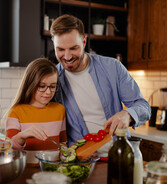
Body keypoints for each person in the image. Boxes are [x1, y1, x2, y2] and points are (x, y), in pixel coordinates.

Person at [50, 14, 150, 157]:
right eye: (60, 49)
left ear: (84, 41)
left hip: (120, 156)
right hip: (81, 162)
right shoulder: (53, 80)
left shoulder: (112, 67)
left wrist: (128, 114)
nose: (67, 56)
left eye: (73, 48)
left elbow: (144, 107)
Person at [5, 58, 66, 152]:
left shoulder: (59, 110)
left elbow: (63, 144)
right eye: (42, 86)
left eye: (53, 86)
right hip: (26, 166)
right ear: (30, 85)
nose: (48, 92)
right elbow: (8, 148)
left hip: (54, 166)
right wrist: (21, 136)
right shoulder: (16, 111)